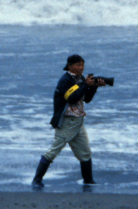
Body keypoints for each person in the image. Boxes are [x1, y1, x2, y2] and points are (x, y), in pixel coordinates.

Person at [31, 54, 106, 189]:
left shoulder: (81, 79)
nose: (81, 68)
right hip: (66, 121)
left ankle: (88, 181)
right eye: (78, 65)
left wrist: (94, 87)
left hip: (78, 121)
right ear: (70, 66)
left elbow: (86, 99)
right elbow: (71, 98)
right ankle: (37, 179)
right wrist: (84, 84)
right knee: (53, 151)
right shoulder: (65, 81)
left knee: (85, 153)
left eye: (82, 65)